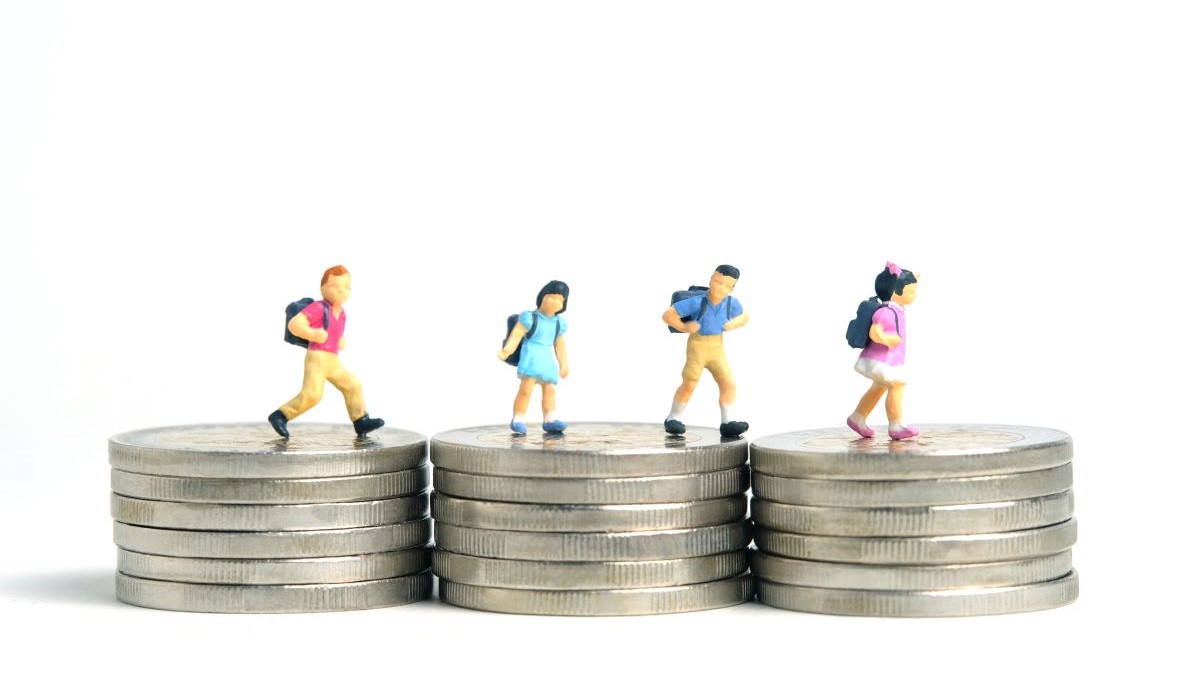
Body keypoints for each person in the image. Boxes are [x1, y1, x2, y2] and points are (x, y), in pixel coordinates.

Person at [268, 265, 385, 438]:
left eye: (346, 286)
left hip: (332, 359)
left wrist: (340, 340)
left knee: (352, 385)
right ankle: (280, 415)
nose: (342, 290)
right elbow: (295, 324)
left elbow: (334, 332)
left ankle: (361, 420)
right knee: (313, 395)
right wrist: (312, 334)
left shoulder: (342, 313)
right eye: (335, 286)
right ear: (323, 288)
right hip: (317, 357)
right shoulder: (318, 307)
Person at [662, 265, 749, 437]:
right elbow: (668, 315)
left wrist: (734, 324)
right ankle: (673, 417)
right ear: (711, 280)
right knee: (690, 382)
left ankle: (728, 421)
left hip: (717, 350)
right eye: (717, 281)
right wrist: (684, 327)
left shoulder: (731, 303)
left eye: (726, 285)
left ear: (731, 288)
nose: (720, 287)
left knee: (728, 382)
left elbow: (745, 316)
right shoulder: (697, 302)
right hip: (697, 348)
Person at [847, 262, 919, 440]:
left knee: (879, 387)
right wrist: (888, 339)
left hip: (884, 359)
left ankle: (857, 417)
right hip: (881, 360)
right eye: (911, 291)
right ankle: (896, 425)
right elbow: (875, 331)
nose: (914, 295)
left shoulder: (896, 311)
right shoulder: (887, 312)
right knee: (896, 385)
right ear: (895, 292)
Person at [498, 280, 570, 435]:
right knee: (526, 389)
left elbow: (560, 346)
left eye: (560, 300)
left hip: (547, 359)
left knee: (550, 390)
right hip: (531, 355)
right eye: (552, 297)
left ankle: (550, 419)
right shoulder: (530, 318)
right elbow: (517, 334)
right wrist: (507, 350)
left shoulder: (559, 324)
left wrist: (564, 364)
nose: (555, 302)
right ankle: (518, 419)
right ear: (542, 296)